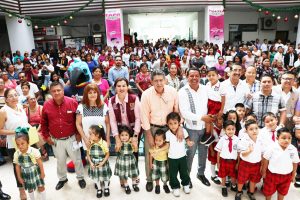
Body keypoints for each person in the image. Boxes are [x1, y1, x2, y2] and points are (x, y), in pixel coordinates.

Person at [140, 69, 181, 192]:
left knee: (170, 154)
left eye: (161, 80)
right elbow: (144, 115)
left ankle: (167, 180)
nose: (159, 83)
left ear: (165, 80)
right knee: (150, 154)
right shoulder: (146, 94)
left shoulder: (173, 92)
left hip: (169, 128)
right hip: (152, 128)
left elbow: (176, 111)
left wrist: (179, 128)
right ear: (151, 82)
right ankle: (149, 179)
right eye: (156, 81)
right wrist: (148, 134)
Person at [41, 81, 86, 190]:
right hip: (56, 140)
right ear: (50, 92)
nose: (56, 93)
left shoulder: (73, 102)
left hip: (72, 138)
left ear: (63, 90)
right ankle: (62, 179)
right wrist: (46, 137)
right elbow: (44, 123)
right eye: (54, 91)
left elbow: (79, 121)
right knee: (60, 161)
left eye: (58, 90)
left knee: (77, 159)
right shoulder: (46, 105)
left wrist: (79, 134)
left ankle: (80, 177)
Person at [178, 67, 213, 188]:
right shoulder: (183, 91)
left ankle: (201, 173)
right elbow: (184, 112)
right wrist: (202, 118)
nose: (194, 78)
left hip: (205, 127)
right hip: (191, 129)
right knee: (190, 153)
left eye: (196, 75)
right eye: (191, 76)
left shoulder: (205, 89)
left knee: (203, 152)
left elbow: (213, 103)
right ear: (186, 77)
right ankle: (186, 177)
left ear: (200, 76)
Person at [0, 88, 30, 200]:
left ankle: (31, 184)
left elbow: (25, 123)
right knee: (18, 168)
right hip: (13, 145)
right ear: (6, 99)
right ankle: (21, 190)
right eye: (11, 96)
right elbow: (0, 130)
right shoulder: (3, 111)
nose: (14, 98)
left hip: (26, 142)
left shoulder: (21, 107)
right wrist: (15, 131)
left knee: (29, 164)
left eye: (15, 95)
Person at [108, 78, 141, 162]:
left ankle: (134, 174)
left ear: (127, 87)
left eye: (124, 86)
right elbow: (113, 120)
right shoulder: (111, 101)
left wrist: (135, 136)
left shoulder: (134, 98)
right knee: (121, 152)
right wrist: (116, 138)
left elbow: (138, 118)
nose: (121, 88)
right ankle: (123, 173)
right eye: (119, 86)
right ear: (115, 88)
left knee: (134, 152)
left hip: (134, 129)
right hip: (121, 130)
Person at [261, 128, 300, 200]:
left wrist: (293, 175)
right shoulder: (272, 147)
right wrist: (263, 171)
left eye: (289, 138)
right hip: (272, 175)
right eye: (284, 138)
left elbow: (295, 162)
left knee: (282, 192)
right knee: (268, 192)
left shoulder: (293, 149)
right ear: (277, 138)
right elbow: (266, 159)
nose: (287, 140)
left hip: (287, 176)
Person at [165, 112, 194, 197]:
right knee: (173, 174)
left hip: (182, 156)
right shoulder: (167, 134)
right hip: (172, 157)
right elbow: (167, 145)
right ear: (167, 124)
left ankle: (185, 184)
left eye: (175, 123)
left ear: (179, 123)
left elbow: (187, 139)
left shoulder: (183, 131)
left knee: (184, 172)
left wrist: (189, 142)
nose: (173, 125)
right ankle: (175, 187)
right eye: (170, 123)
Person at [14, 128, 46, 200]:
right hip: (25, 174)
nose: (20, 146)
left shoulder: (33, 151)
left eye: (22, 143)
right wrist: (19, 177)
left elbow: (40, 163)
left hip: (35, 172)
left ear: (28, 142)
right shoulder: (17, 154)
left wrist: (42, 172)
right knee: (30, 189)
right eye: (18, 144)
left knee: (41, 186)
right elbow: (17, 166)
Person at [235, 120, 263, 200]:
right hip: (245, 164)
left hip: (257, 164)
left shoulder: (260, 139)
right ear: (246, 131)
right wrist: (249, 151)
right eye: (251, 129)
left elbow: (262, 152)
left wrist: (261, 164)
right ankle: (239, 192)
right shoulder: (244, 140)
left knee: (253, 180)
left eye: (256, 128)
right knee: (241, 179)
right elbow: (242, 154)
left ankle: (251, 192)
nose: (254, 131)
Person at [215, 120, 239, 197]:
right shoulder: (222, 139)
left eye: (233, 129)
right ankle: (223, 187)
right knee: (223, 175)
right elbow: (218, 152)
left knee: (233, 176)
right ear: (224, 130)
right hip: (223, 161)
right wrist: (218, 163)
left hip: (233, 161)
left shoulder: (237, 139)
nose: (231, 131)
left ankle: (233, 186)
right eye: (228, 129)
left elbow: (238, 153)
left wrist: (238, 163)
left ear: (235, 129)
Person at [201, 67, 225, 144]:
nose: (211, 77)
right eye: (209, 75)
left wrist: (221, 110)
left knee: (209, 118)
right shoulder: (207, 84)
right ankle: (212, 135)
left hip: (216, 104)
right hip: (209, 103)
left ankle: (208, 134)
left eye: (213, 75)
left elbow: (223, 98)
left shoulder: (221, 86)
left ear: (217, 76)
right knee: (209, 120)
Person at [87, 125, 112, 198]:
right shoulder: (90, 143)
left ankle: (106, 187)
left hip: (103, 163)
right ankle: (99, 188)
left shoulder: (104, 143)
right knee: (96, 177)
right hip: (94, 163)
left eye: (90, 134)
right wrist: (91, 162)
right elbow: (88, 154)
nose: (89, 136)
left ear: (97, 135)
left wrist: (102, 162)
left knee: (105, 177)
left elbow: (107, 154)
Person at [114, 125, 140, 194]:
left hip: (131, 160)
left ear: (129, 135)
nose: (124, 137)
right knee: (123, 174)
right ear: (119, 136)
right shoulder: (119, 142)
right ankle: (126, 185)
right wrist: (117, 146)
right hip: (122, 160)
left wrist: (135, 145)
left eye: (126, 135)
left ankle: (134, 184)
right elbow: (116, 151)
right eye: (122, 135)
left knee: (133, 173)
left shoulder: (131, 142)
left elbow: (136, 150)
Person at [26, 94, 48, 161]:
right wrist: (31, 130)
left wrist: (37, 130)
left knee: (36, 134)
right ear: (28, 101)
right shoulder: (25, 110)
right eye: (31, 99)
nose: (33, 100)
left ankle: (42, 151)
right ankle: (35, 154)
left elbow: (42, 122)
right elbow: (25, 122)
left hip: (40, 127)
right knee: (31, 134)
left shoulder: (40, 108)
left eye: (34, 98)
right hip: (29, 128)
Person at [149, 129, 170, 194]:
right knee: (156, 174)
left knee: (164, 175)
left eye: (160, 140)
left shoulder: (166, 147)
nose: (157, 142)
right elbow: (151, 155)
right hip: (155, 162)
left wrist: (168, 164)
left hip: (163, 163)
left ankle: (165, 185)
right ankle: (157, 185)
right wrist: (150, 163)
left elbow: (168, 155)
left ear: (164, 140)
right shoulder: (154, 147)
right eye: (156, 140)